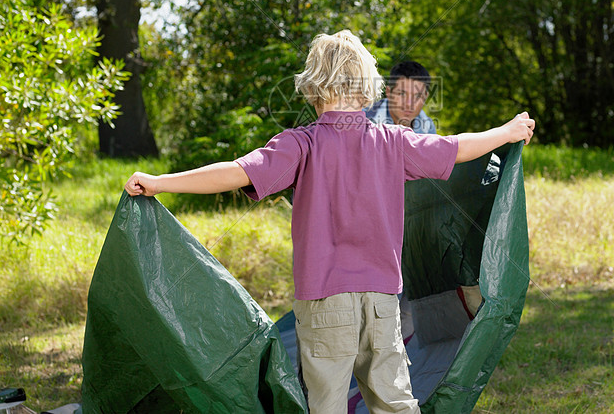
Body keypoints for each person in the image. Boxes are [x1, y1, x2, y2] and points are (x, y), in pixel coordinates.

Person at [124, 29, 535, 414]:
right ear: (369, 87)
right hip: (382, 302)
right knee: (395, 402)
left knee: (327, 404)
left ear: (314, 85)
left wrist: (161, 182)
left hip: (324, 303)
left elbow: (236, 171)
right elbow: (456, 148)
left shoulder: (300, 143)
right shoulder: (392, 141)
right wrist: (507, 130)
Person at [364, 60, 437, 134]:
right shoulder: (363, 121)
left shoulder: (428, 128)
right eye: (402, 94)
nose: (409, 104)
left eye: (417, 96)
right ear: (388, 92)